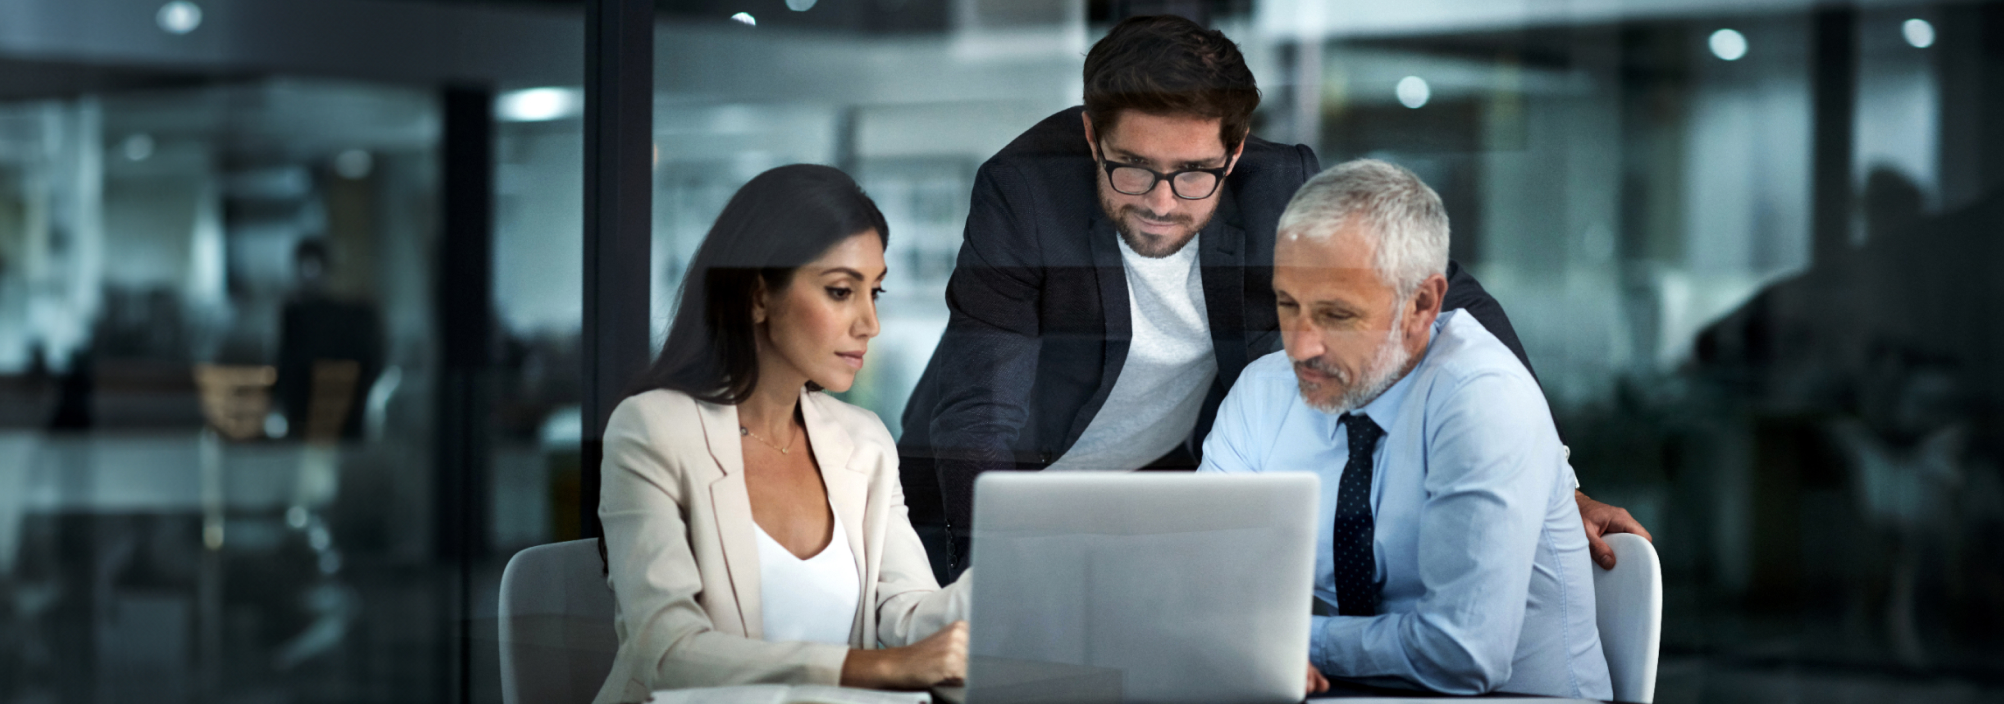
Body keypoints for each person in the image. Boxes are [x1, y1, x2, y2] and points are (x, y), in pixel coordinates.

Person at [893, 14, 1649, 582]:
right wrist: (994, 578)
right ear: (1093, 136)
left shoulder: (1280, 188)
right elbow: (980, 412)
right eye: (1133, 167)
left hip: (1151, 496)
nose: (1161, 201)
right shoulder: (1023, 191)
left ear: (1235, 152)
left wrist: (1560, 487)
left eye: (1194, 173)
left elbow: (1450, 302)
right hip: (985, 500)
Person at [1199, 159, 1609, 698]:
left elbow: (1462, 655)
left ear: (1422, 305)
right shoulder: (1263, 391)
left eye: (1337, 315)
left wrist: (1287, 640)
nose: (1300, 346)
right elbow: (1203, 588)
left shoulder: (1482, 397)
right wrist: (1232, 635)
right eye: (1287, 304)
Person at [597, 164, 969, 702]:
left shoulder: (864, 442)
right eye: (841, 291)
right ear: (757, 296)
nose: (870, 323)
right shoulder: (652, 429)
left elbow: (906, 610)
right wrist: (879, 668)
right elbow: (668, 651)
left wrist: (1010, 580)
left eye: (875, 292)